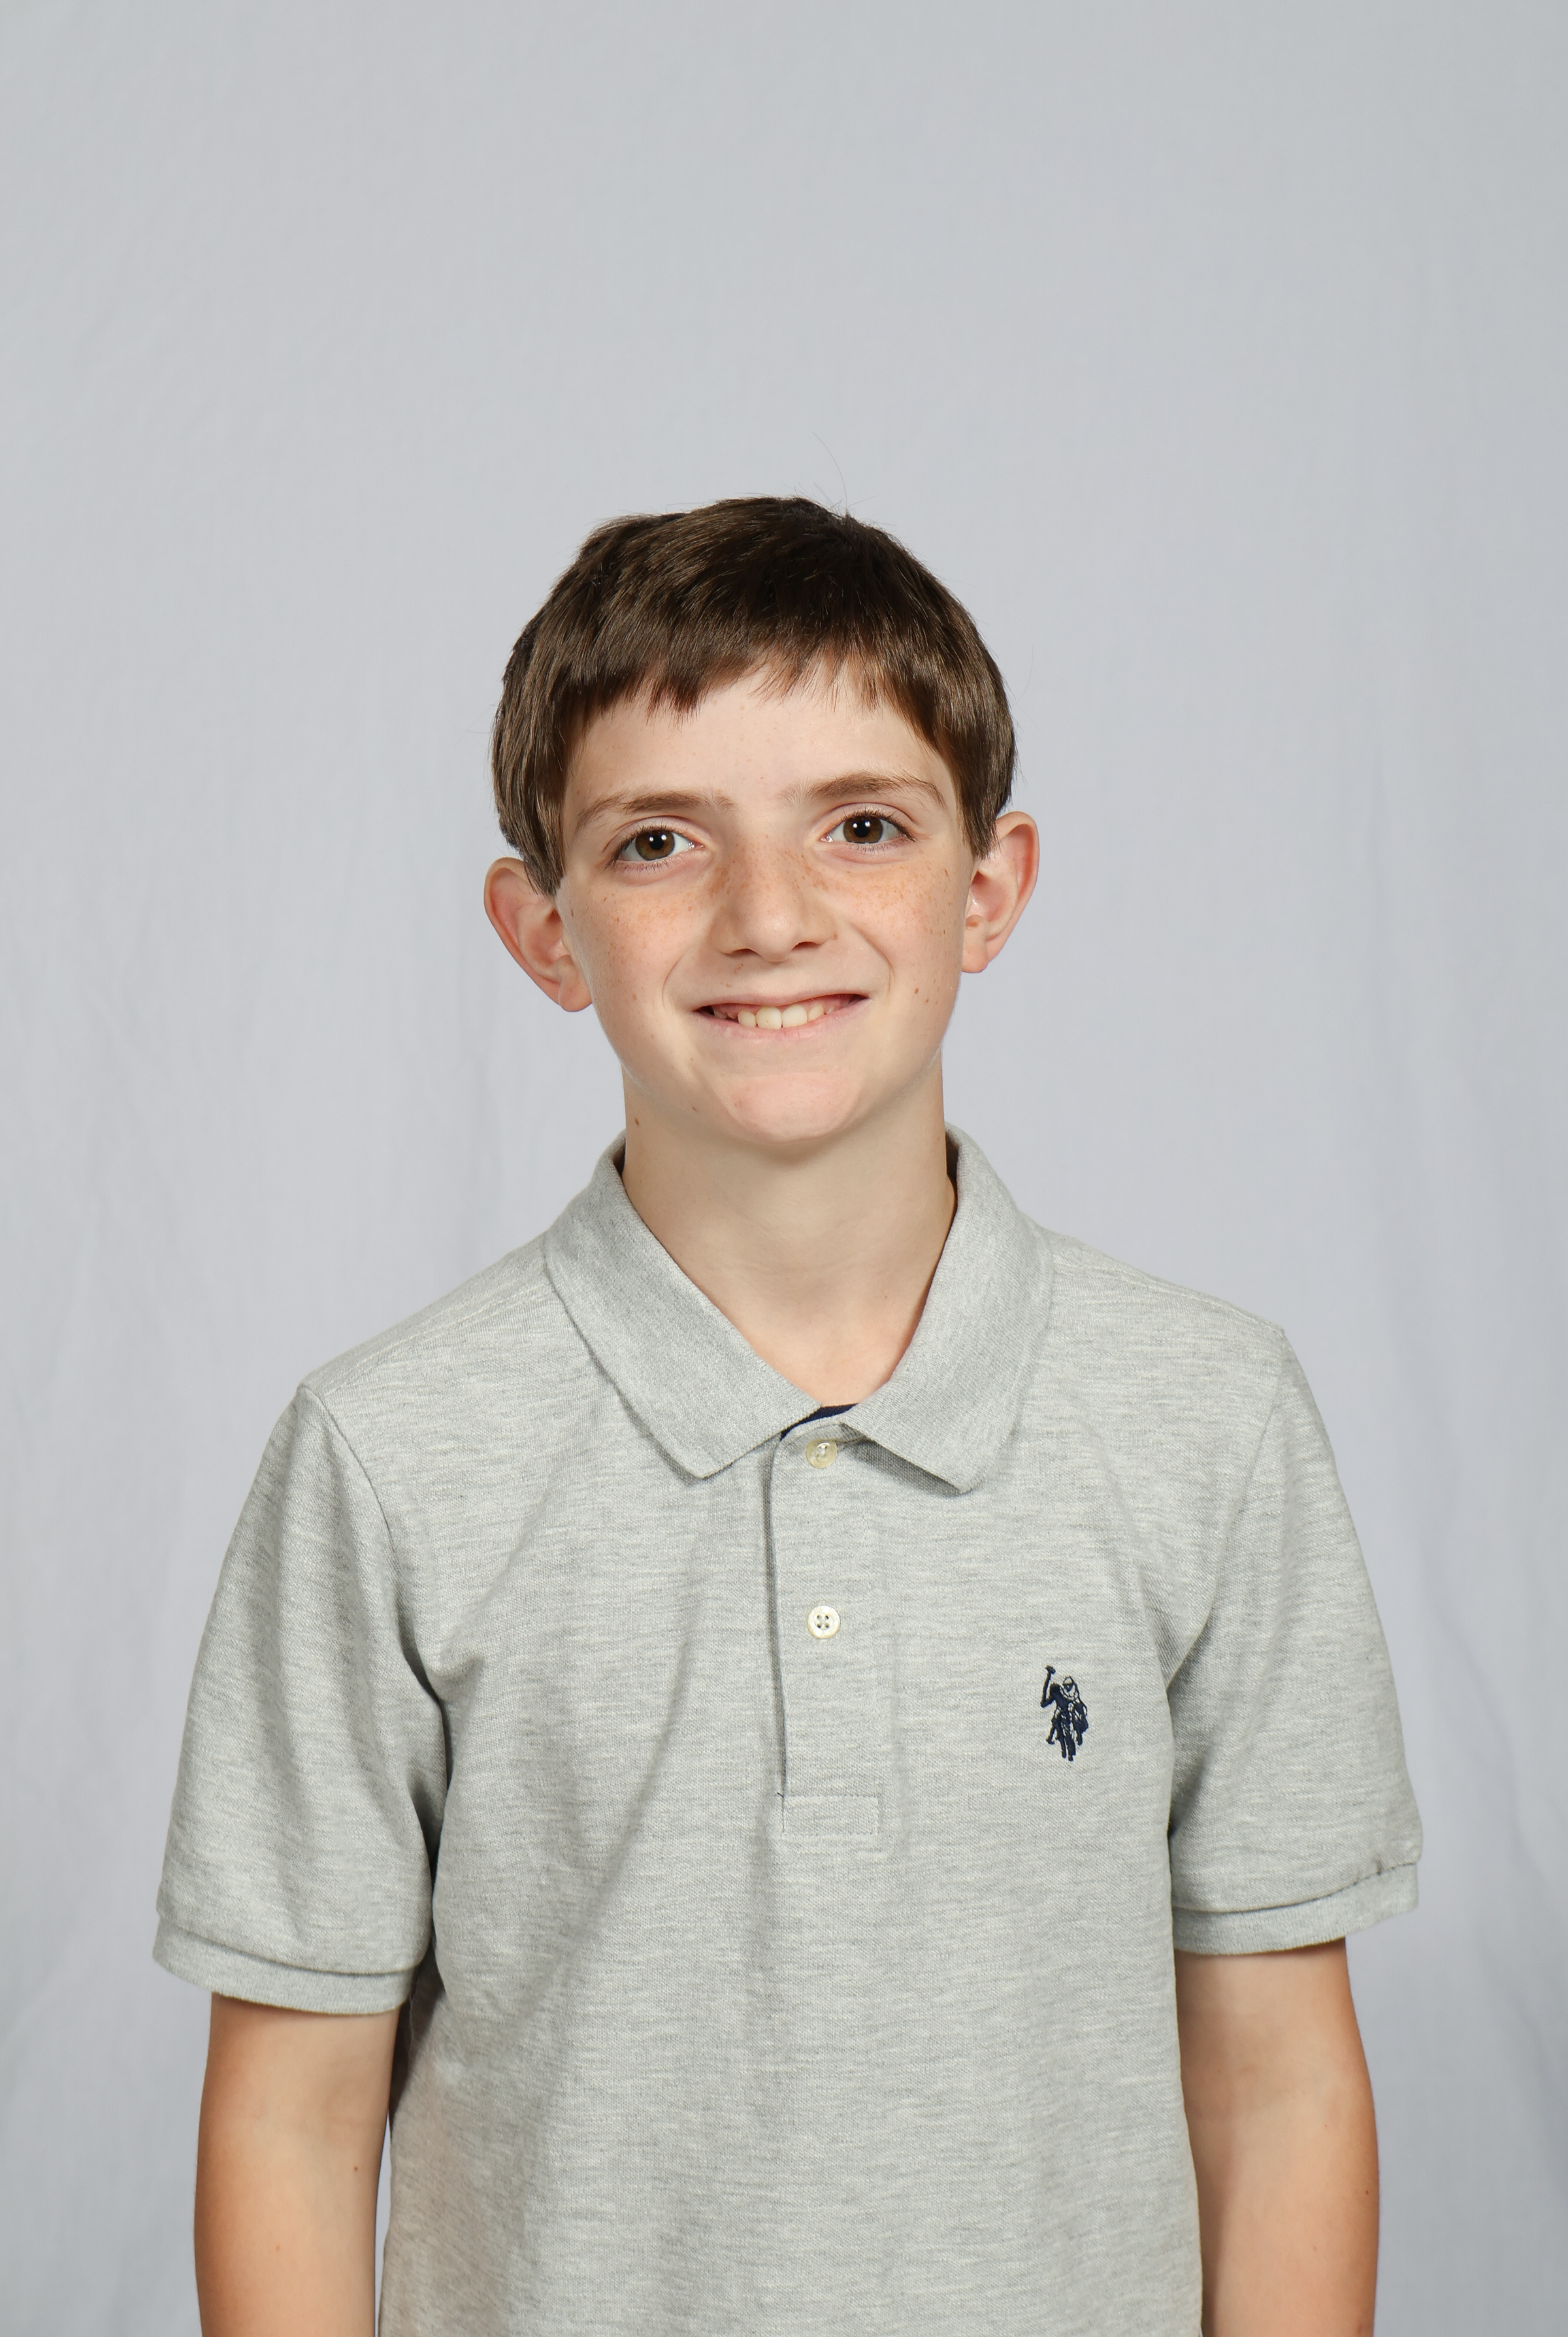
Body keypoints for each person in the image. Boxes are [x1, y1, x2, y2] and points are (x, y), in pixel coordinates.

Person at [157, 497, 1421, 2337]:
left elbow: (1280, 2087)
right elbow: (290, 2123)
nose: (769, 917)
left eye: (863, 827)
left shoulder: (1206, 1418)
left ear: (987, 889)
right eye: (659, 841)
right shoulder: (391, 1455)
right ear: (543, 930)